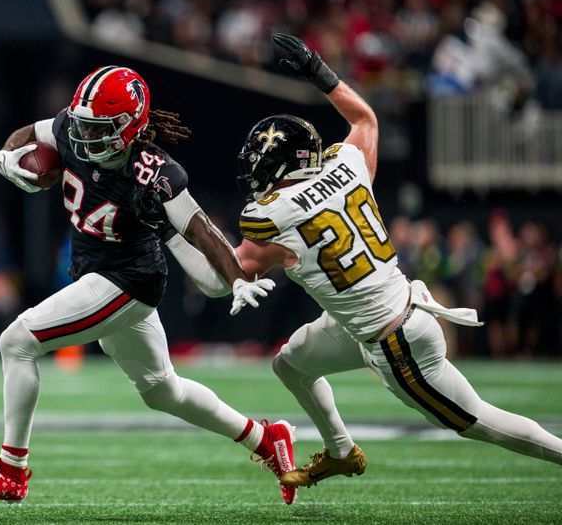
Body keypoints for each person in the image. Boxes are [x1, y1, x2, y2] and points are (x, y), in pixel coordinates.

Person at [137, 33, 562, 492]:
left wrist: (168, 227)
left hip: (394, 342)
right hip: (374, 317)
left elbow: (221, 282)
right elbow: (365, 117)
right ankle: (341, 452)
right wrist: (321, 72)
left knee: (480, 422)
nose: (256, 180)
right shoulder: (347, 162)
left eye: (262, 169)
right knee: (290, 364)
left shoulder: (272, 216)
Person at [0, 66, 298, 504]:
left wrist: (235, 278)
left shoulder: (155, 170)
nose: (84, 137)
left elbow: (198, 229)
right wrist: (6, 156)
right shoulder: (71, 126)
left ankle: (10, 470)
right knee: (162, 391)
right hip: (99, 274)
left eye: (98, 129)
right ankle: (266, 439)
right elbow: (27, 132)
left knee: (17, 341)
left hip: (126, 281)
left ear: (129, 127)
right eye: (82, 125)